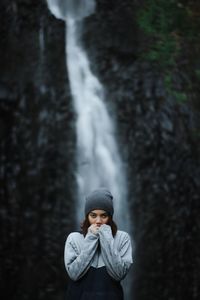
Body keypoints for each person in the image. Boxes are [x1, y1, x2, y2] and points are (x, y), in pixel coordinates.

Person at [64, 188, 133, 300]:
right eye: (93, 215)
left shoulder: (122, 238)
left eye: (103, 216)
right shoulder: (74, 238)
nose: (98, 221)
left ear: (110, 217)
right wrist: (91, 238)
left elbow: (119, 274)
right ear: (87, 216)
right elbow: (74, 274)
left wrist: (106, 236)